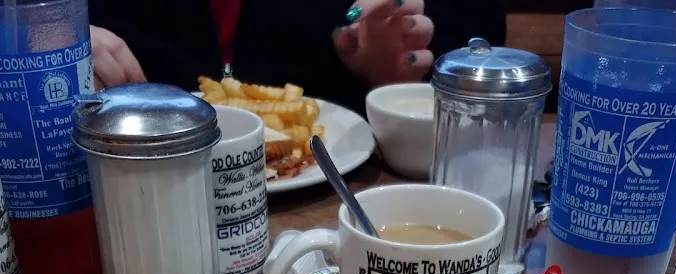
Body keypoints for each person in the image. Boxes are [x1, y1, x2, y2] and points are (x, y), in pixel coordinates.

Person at [87, 0, 508, 111]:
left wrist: (397, 81)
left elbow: (484, 51)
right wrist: (44, 36)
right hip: (128, 187)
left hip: (349, 191)